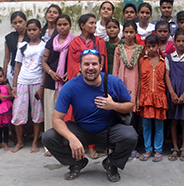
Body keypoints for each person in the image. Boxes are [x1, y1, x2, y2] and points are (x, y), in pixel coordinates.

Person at [42, 49, 137, 182]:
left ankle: (112, 163)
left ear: (101, 66)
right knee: (49, 137)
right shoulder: (70, 87)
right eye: (86, 64)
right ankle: (76, 162)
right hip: (81, 130)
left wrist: (113, 105)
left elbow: (130, 105)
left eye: (94, 64)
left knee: (131, 136)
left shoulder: (114, 83)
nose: (90, 68)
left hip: (109, 130)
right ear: (80, 67)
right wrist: (72, 138)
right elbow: (56, 119)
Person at [67, 13, 108, 158]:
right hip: (80, 84)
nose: (94, 26)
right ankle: (84, 147)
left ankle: (98, 145)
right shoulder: (74, 43)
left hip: (96, 83)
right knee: (81, 113)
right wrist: (82, 80)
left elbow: (102, 64)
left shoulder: (100, 41)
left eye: (95, 23)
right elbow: (72, 65)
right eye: (91, 23)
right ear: (82, 26)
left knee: (97, 112)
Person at [41, 14, 75, 156]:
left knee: (66, 113)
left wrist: (70, 72)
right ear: (56, 26)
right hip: (51, 82)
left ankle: (67, 142)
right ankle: (50, 145)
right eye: (59, 25)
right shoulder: (51, 42)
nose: (62, 27)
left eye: (65, 24)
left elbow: (77, 60)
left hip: (68, 82)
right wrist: (51, 72)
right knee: (50, 113)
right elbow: (44, 62)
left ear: (70, 25)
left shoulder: (74, 41)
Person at [11, 19, 46, 153]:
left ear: (40, 30)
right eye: (29, 30)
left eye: (34, 29)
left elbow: (43, 69)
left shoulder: (44, 46)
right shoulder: (22, 46)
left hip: (37, 82)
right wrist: (14, 86)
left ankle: (34, 142)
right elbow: (17, 66)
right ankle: (20, 142)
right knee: (18, 112)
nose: (32, 32)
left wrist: (42, 87)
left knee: (37, 113)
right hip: (22, 82)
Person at [165, 30, 184, 162]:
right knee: (173, 120)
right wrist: (172, 92)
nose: (181, 43)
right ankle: (175, 147)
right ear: (174, 42)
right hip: (172, 91)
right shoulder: (169, 58)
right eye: (178, 41)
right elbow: (167, 75)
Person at [137, 34, 167, 162]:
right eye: (148, 46)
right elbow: (139, 80)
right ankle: (148, 149)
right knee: (146, 125)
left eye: (153, 46)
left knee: (159, 125)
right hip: (146, 97)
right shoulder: (142, 61)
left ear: (158, 46)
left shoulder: (163, 62)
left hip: (159, 97)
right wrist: (138, 99)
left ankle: (158, 150)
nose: (151, 49)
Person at [112, 21, 144, 106]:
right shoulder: (119, 49)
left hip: (134, 81)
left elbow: (141, 70)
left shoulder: (140, 49)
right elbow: (115, 69)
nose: (129, 34)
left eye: (131, 32)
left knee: (132, 107)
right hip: (121, 80)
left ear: (136, 33)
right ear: (123, 33)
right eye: (126, 32)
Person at [3, 11, 29, 88]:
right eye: (15, 23)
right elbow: (7, 57)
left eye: (20, 22)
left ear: (26, 21)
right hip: (13, 69)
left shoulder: (32, 36)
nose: (18, 25)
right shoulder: (9, 38)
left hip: (28, 69)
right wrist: (4, 73)